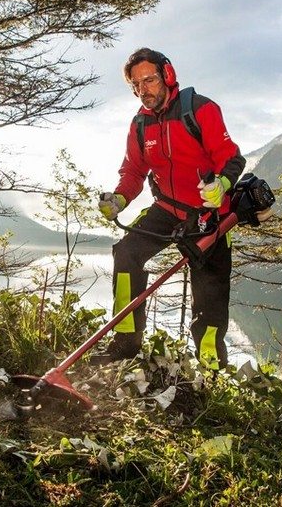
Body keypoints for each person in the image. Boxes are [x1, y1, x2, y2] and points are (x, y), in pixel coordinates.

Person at [94, 48, 246, 369]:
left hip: (209, 216)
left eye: (148, 80)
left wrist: (221, 186)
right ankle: (126, 342)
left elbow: (231, 158)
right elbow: (133, 172)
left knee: (209, 299)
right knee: (126, 253)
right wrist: (119, 200)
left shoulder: (201, 110)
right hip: (166, 209)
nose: (142, 89)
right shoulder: (139, 125)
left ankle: (210, 369)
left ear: (167, 75)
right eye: (136, 85)